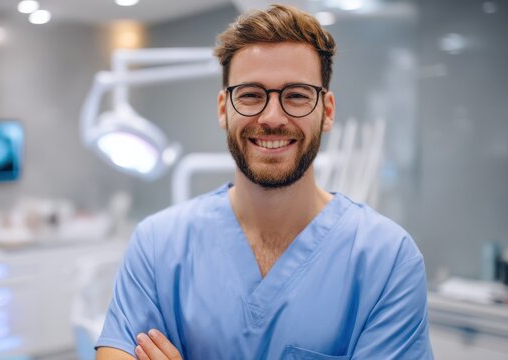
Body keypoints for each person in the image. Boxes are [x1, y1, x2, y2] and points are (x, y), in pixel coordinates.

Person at [95, 4, 433, 359]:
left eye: (297, 95)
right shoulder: (157, 246)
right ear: (224, 109)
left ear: (327, 111)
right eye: (251, 95)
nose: (272, 117)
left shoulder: (387, 260)